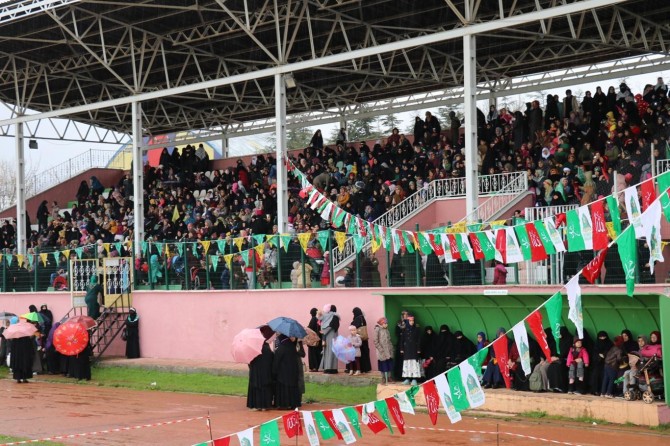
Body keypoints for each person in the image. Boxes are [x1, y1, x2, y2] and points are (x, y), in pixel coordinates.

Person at [272, 334, 301, 410]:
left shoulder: (280, 349)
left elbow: (276, 362)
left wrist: (274, 372)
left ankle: (283, 404)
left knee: (283, 389)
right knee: (292, 388)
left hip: (283, 374)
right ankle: (293, 404)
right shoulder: (292, 347)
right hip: (293, 372)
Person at [247, 336, 274, 411]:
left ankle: (256, 405)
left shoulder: (253, 350)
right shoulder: (268, 350)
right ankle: (265, 406)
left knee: (256, 388)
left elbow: (249, 361)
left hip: (256, 373)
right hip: (266, 373)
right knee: (265, 388)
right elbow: (272, 360)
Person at [589, 331, 612, 396]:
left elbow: (611, 353)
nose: (602, 339)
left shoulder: (610, 344)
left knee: (604, 375)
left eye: (604, 337)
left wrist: (604, 355)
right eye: (600, 337)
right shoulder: (596, 344)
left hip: (607, 363)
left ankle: (603, 391)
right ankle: (595, 390)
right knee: (595, 375)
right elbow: (594, 354)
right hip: (597, 363)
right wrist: (599, 356)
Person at [400, 315, 421, 386]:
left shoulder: (416, 329)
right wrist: (401, 348)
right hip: (407, 349)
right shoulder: (404, 329)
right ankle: (407, 379)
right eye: (410, 321)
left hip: (414, 348)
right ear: (407, 321)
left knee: (414, 363)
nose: (412, 322)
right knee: (407, 363)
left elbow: (419, 340)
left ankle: (414, 379)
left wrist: (418, 349)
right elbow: (402, 340)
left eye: (413, 321)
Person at [319, 304, 340, 374]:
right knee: (330, 352)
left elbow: (331, 326)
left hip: (331, 336)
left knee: (330, 352)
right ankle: (330, 368)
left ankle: (330, 368)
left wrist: (323, 331)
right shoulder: (334, 316)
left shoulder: (334, 317)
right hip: (332, 336)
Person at [373, 317, 393, 385]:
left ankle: (389, 377)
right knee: (382, 364)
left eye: (387, 323)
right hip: (381, 351)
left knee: (389, 364)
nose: (387, 324)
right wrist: (381, 349)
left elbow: (389, 340)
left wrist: (391, 348)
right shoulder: (377, 330)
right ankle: (383, 378)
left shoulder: (386, 330)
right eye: (385, 323)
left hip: (388, 350)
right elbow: (375, 341)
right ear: (382, 323)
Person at [351, 307, 371, 373]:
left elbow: (353, 326)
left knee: (359, 354)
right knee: (365, 353)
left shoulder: (358, 318)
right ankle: (366, 368)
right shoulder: (362, 318)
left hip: (359, 339)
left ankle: (360, 368)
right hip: (364, 339)